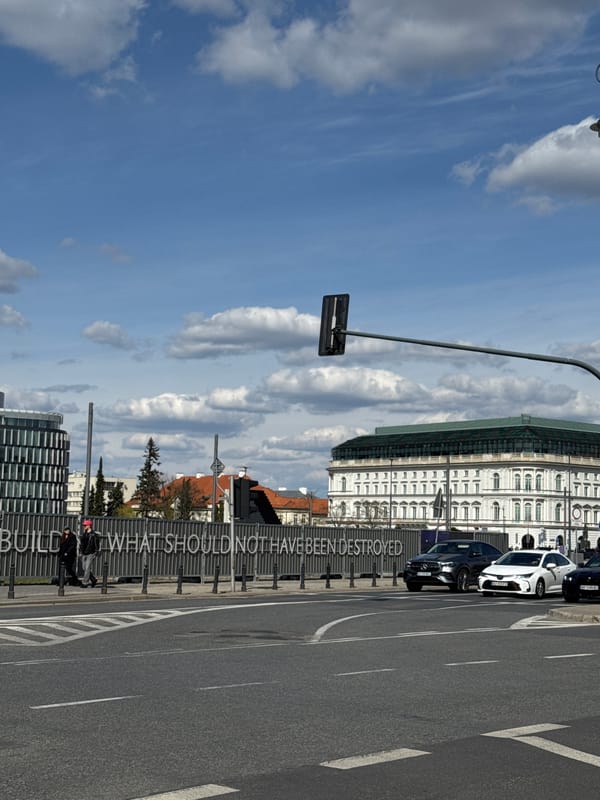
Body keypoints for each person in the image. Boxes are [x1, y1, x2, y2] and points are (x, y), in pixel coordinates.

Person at [80, 519, 99, 588]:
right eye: (83, 525)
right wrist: (81, 551)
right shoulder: (84, 534)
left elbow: (97, 544)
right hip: (84, 553)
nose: (84, 526)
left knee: (87, 568)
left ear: (89, 526)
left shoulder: (94, 535)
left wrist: (96, 552)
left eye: (85, 525)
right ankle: (93, 579)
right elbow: (82, 544)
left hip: (91, 553)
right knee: (84, 568)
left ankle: (85, 583)